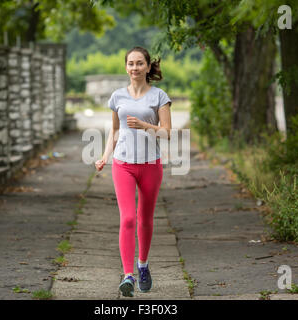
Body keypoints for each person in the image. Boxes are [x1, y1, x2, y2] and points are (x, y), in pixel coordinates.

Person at [95, 46, 172, 297]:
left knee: (145, 219)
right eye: (131, 63)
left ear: (148, 67)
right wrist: (105, 156)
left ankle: (143, 265)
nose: (135, 68)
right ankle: (127, 275)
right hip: (123, 164)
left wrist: (143, 125)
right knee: (128, 218)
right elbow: (115, 131)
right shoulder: (117, 97)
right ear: (125, 67)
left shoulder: (159, 96)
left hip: (151, 164)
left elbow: (167, 132)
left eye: (140, 63)